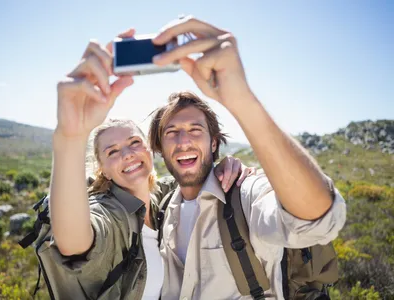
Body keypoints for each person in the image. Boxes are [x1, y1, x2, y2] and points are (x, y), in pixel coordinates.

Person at [147, 16, 348, 299]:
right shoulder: (162, 206)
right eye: (172, 132)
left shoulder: (244, 194)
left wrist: (240, 98)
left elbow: (316, 221)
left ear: (214, 142)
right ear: (159, 146)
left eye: (195, 129)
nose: (184, 141)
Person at [47, 29, 255, 299]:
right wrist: (70, 139)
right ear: (102, 171)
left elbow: (193, 176)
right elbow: (73, 242)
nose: (127, 154)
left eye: (134, 143)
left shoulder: (163, 199)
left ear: (149, 149)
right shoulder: (111, 212)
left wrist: (223, 166)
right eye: (112, 152)